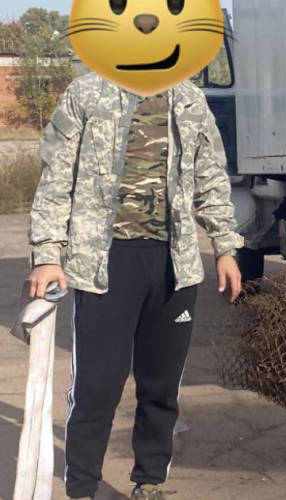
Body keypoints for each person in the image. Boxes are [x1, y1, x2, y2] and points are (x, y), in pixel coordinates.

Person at [27, 72, 244, 500]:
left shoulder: (188, 97)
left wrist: (225, 246)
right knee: (97, 386)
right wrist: (49, 254)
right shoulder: (87, 92)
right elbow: (56, 175)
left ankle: (148, 483)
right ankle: (83, 488)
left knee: (161, 386)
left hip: (173, 264)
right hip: (104, 262)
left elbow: (211, 174)